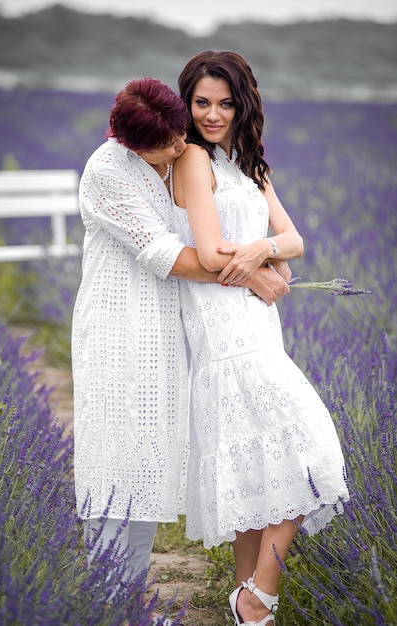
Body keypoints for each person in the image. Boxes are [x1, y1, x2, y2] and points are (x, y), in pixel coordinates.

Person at [71, 76, 290, 624]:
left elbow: (217, 234)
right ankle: (112, 608)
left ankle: (125, 606)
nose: (180, 146)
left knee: (148, 464)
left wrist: (260, 251)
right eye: (167, 143)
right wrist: (253, 277)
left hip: (172, 336)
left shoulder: (173, 157)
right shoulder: (106, 172)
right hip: (119, 336)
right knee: (118, 462)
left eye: (178, 135)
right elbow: (166, 254)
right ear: (129, 142)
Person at [172, 50, 350, 626]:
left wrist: (261, 252)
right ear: (188, 103)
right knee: (311, 451)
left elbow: (293, 238)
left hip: (258, 328)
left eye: (225, 103)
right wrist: (258, 273)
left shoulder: (249, 164)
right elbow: (205, 250)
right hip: (223, 329)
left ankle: (248, 608)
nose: (213, 114)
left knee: (258, 469)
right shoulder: (192, 158)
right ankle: (256, 597)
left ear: (242, 105)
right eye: (202, 103)